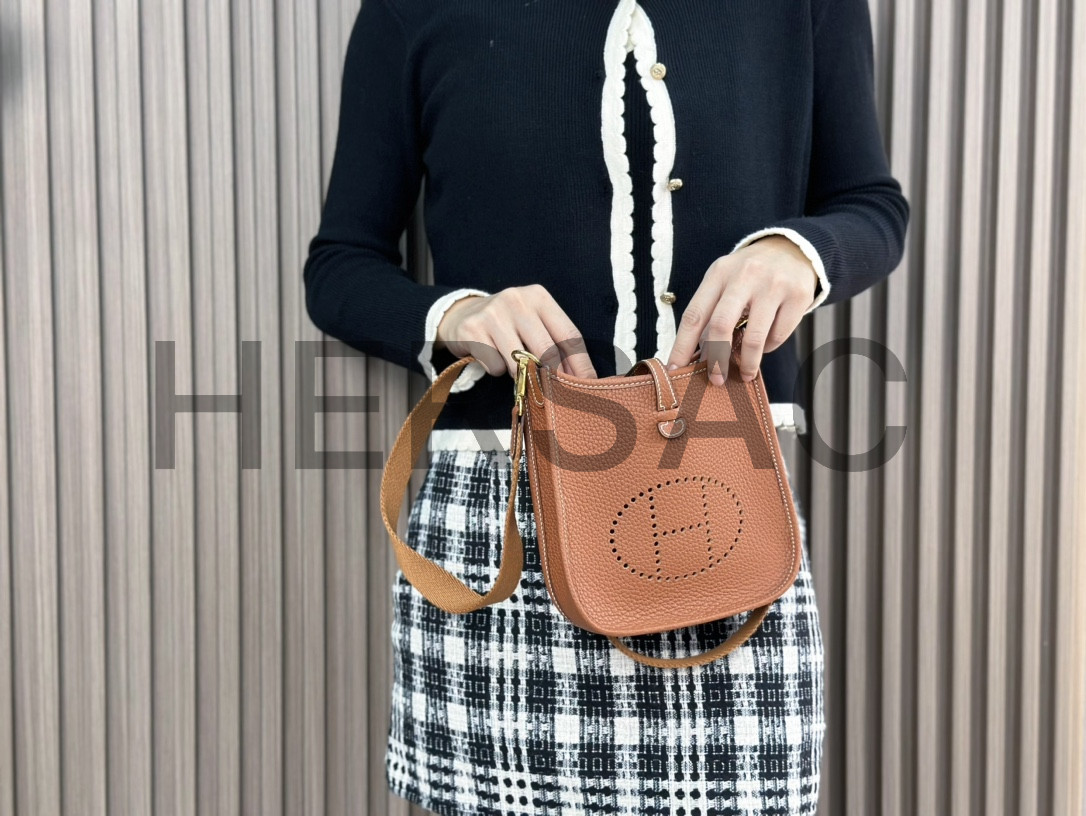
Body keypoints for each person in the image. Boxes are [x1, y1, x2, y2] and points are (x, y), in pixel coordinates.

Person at [304, 0, 909, 813]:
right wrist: (458, 316)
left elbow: (872, 204)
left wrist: (798, 255)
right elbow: (340, 266)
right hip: (497, 527)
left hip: (724, 513)